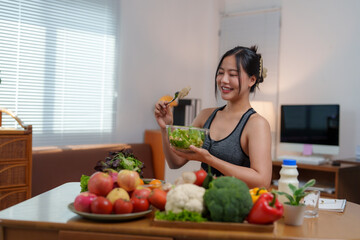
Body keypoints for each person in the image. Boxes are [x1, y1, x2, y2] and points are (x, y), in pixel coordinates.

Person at [154, 46, 272, 188]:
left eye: (232, 74)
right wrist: (165, 127)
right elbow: (175, 162)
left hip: (236, 206)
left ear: (251, 80)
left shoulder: (256, 124)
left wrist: (209, 159)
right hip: (204, 201)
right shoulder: (206, 115)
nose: (223, 80)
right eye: (220, 73)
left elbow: (262, 181)